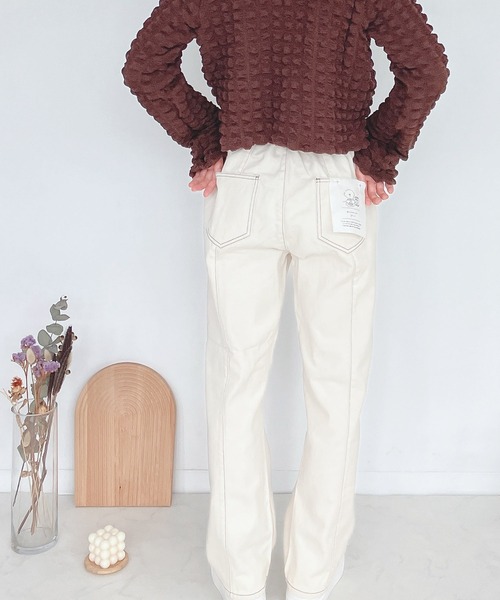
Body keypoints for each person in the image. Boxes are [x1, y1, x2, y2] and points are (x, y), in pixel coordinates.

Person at [122, 1, 449, 599]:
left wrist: (207, 139)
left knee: (235, 386)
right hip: (335, 184)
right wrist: (377, 153)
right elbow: (425, 68)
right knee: (336, 388)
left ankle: (241, 579)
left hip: (243, 180)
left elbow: (146, 65)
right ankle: (312, 577)